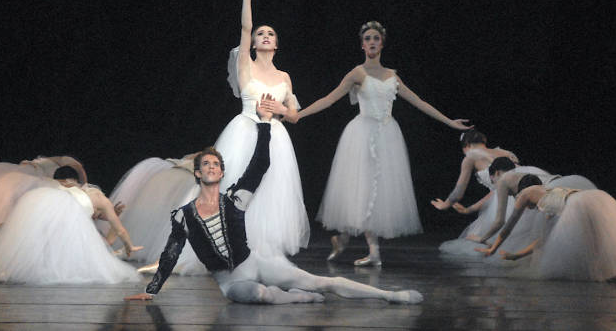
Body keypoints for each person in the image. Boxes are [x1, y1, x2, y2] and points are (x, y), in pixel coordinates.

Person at [124, 113, 423, 304]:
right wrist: (152, 290)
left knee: (323, 282)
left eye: (216, 164)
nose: (212, 167)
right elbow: (170, 254)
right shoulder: (184, 215)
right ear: (198, 173)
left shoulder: (236, 198)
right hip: (233, 283)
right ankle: (295, 299)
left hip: (257, 263)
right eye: (206, 165)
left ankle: (389, 295)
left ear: (222, 171)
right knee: (256, 293)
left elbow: (260, 165)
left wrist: (265, 126)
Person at [294, 21, 471, 266]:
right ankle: (357, 243)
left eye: (376, 38)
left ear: (382, 43)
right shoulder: (357, 73)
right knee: (363, 190)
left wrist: (449, 122)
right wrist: (299, 114)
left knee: (377, 194)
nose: (372, 42)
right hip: (361, 135)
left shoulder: (392, 76)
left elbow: (419, 101)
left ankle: (362, 247)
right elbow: (330, 98)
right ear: (362, 45)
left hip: (387, 135)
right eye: (367, 38)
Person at [212, 0, 309, 258]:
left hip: (274, 135)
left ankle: (262, 246)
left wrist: (281, 108)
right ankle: (226, 243)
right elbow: (244, 27)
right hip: (244, 130)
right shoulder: (246, 65)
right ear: (253, 43)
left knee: (270, 191)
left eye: (270, 34)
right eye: (260, 34)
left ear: (276, 44)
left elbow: (295, 115)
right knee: (235, 185)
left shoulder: (284, 77)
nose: (265, 36)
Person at [0, 166, 142, 284]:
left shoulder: (53, 189)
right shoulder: (98, 197)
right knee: (101, 253)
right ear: (77, 180)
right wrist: (129, 245)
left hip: (47, 224)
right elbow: (118, 228)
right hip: (66, 234)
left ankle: (0, 264)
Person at [476, 175, 616, 281]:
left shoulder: (525, 193)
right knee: (603, 234)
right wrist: (517, 256)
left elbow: (509, 226)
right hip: (597, 198)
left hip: (579, 204)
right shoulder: (551, 198)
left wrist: (494, 248)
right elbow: (546, 239)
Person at [0, 155, 87, 258]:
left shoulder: (45, 162)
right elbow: (80, 169)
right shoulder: (65, 161)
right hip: (29, 176)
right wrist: (84, 185)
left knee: (4, 207)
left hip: (16, 172)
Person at [466, 157, 596, 246]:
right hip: (567, 186)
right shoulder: (523, 175)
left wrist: (482, 239)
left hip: (553, 198)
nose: (495, 185)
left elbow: (500, 222)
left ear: (497, 173)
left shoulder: (504, 181)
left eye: (492, 179)